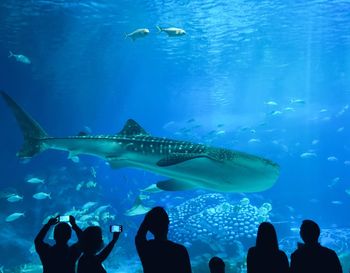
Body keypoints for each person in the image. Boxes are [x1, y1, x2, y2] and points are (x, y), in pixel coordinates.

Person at [135, 206, 192, 273]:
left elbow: (139, 236)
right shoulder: (180, 250)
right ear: (168, 223)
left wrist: (147, 221)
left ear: (149, 228)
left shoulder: (146, 248)